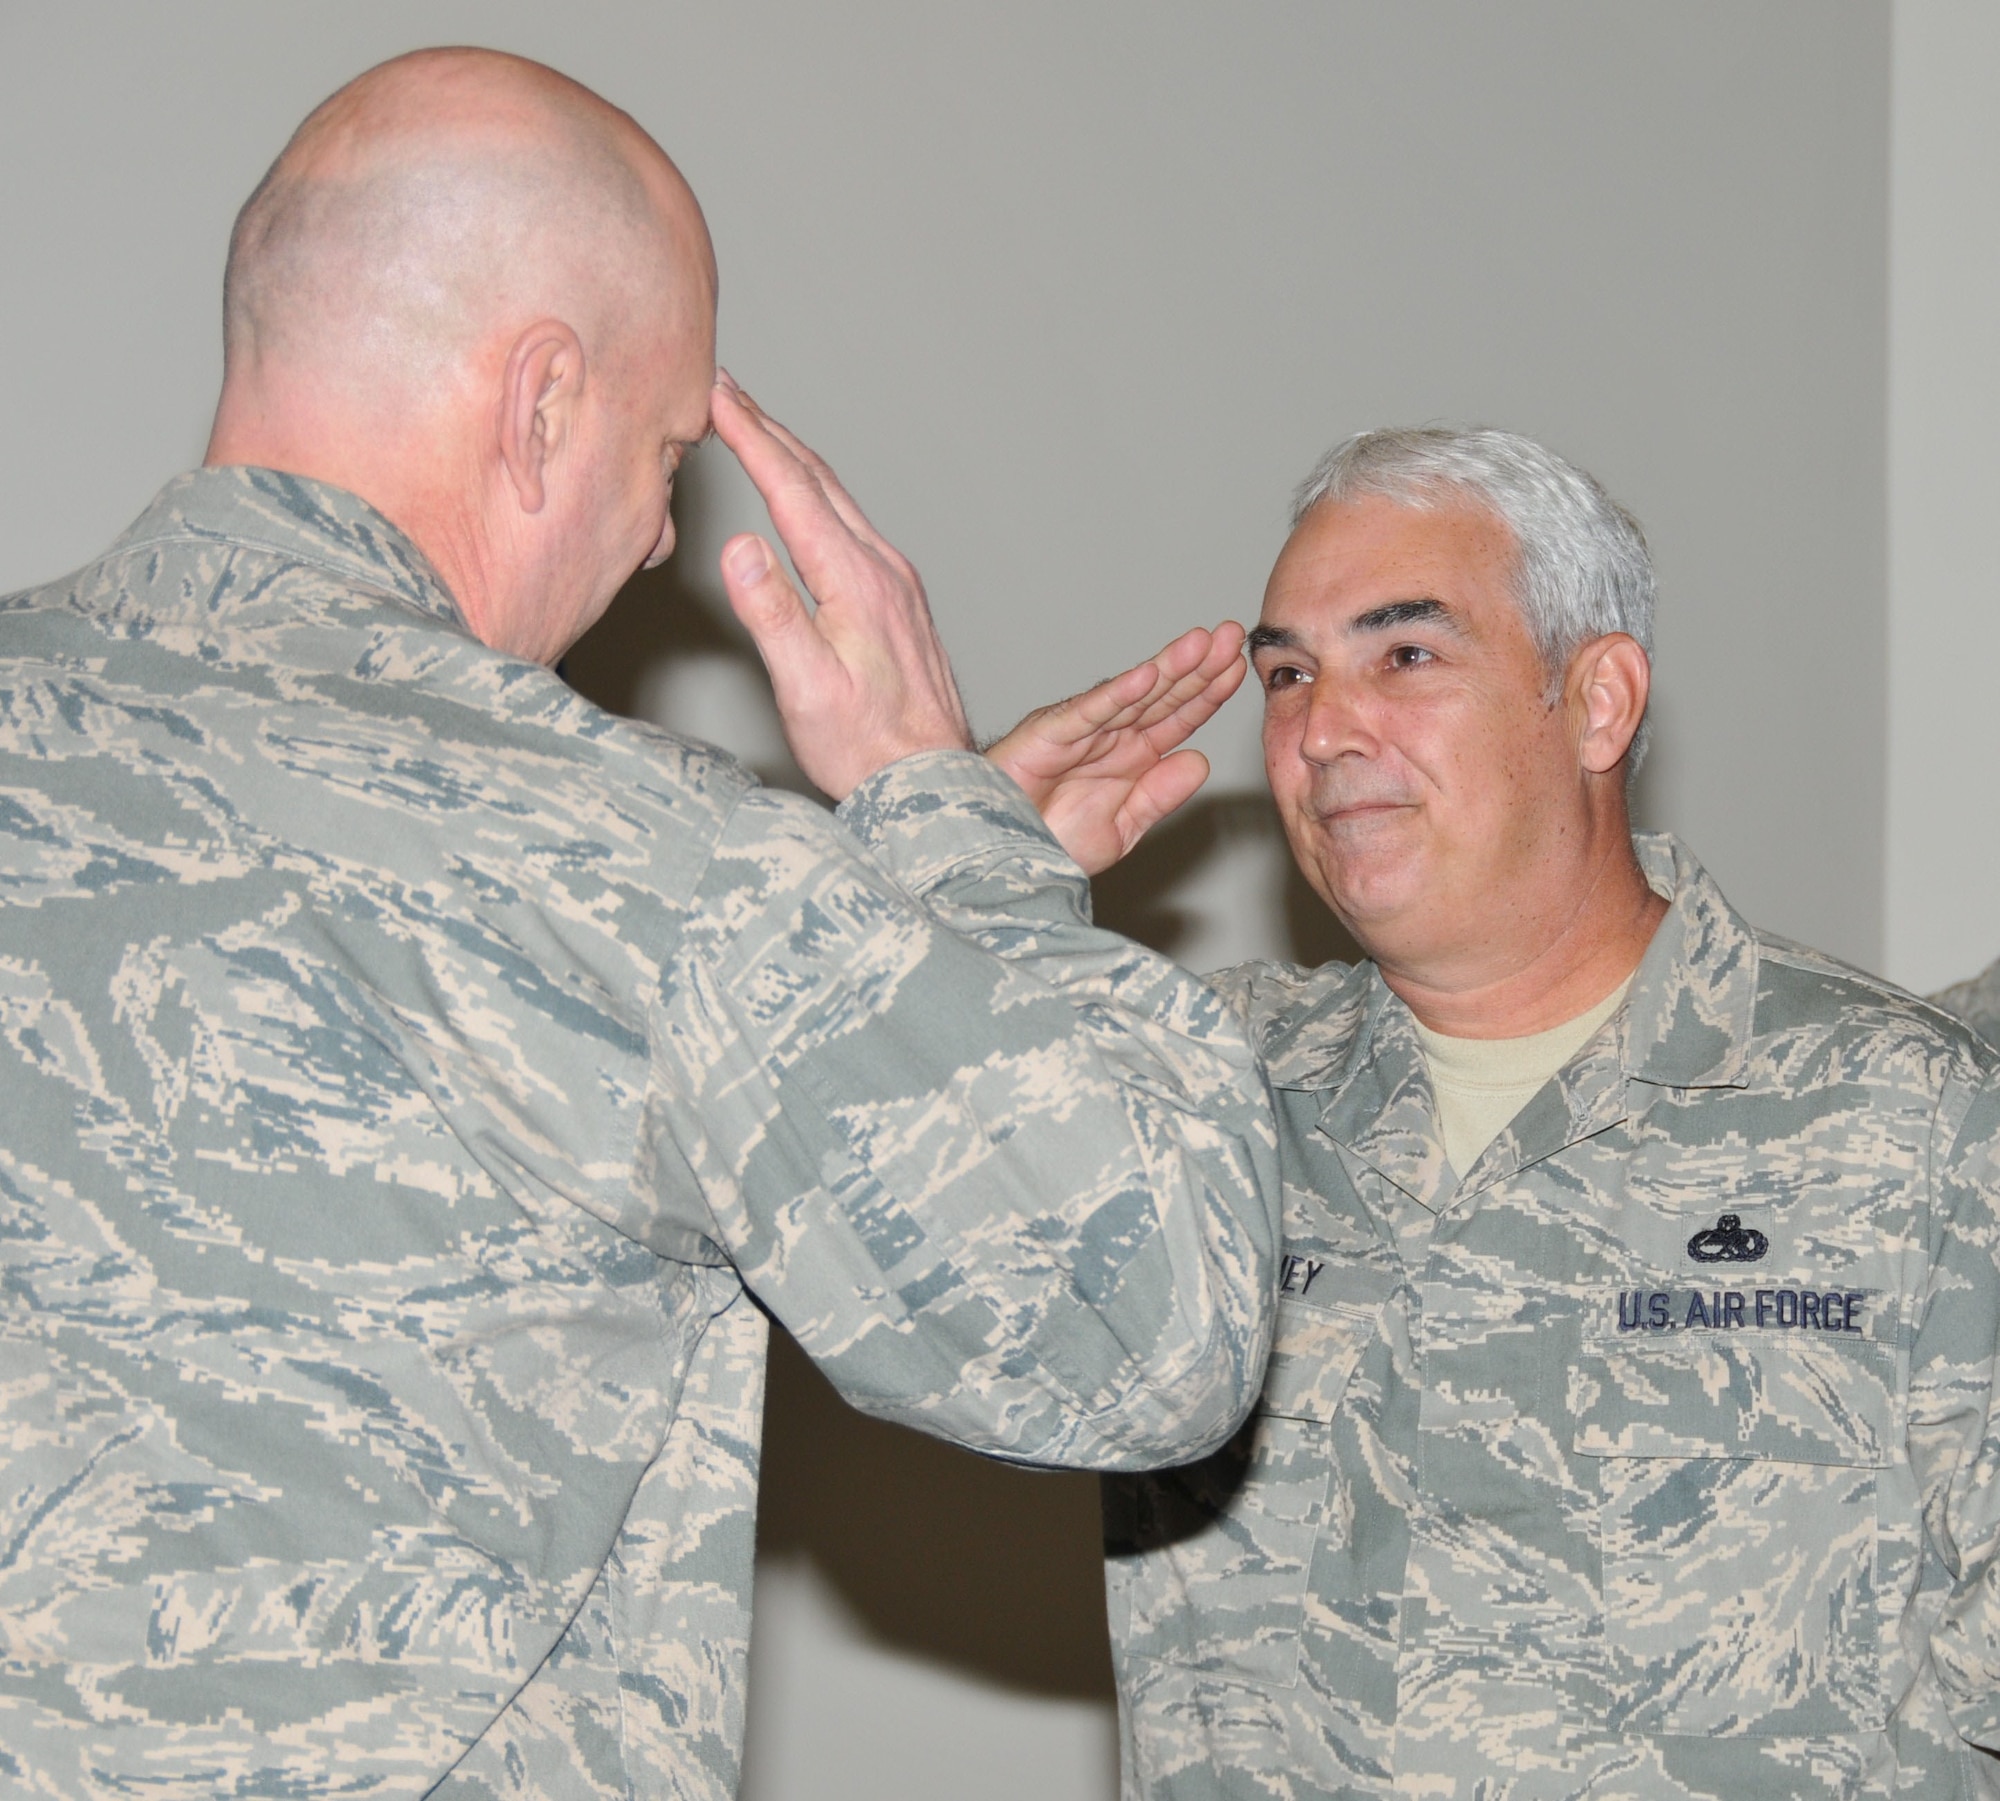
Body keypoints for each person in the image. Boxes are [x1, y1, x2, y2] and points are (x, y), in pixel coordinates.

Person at [0, 49, 1283, 1799]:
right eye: (666, 446)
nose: (662, 525)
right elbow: (1149, 1322)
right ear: (538, 402)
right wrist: (949, 837)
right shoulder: (644, 860)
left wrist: (899, 954)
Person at [994, 427, 2000, 1797]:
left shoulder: (1912, 1124)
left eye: (1405, 655)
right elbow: (860, 1257)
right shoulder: (1196, 1094)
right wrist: (972, 888)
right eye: (1288, 673)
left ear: (1597, 702)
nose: (1321, 729)